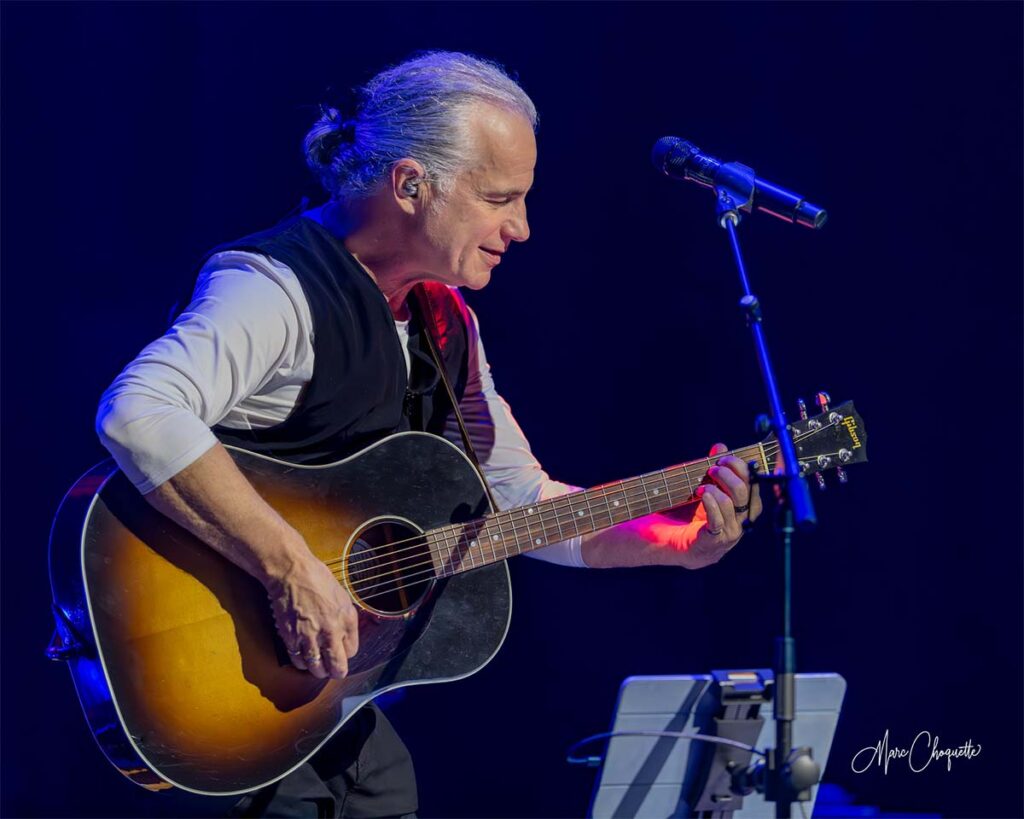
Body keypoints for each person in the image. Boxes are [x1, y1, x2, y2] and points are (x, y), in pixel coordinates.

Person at [96, 51, 762, 819]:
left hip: (328, 718)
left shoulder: (446, 323)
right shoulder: (275, 289)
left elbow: (518, 502)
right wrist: (288, 566)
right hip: (219, 689)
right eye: (499, 199)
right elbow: (138, 409)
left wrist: (674, 541)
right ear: (411, 185)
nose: (522, 228)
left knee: (389, 784)